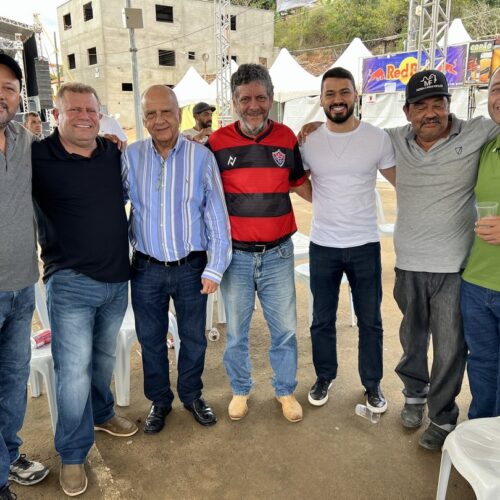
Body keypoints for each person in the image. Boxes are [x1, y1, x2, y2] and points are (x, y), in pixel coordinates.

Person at [299, 69, 498, 450]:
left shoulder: (477, 133)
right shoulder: (392, 139)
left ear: (448, 105)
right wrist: (309, 129)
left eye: (437, 104)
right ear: (407, 111)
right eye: (420, 106)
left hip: (454, 265)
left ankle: (440, 416)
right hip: (406, 260)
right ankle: (413, 396)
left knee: (449, 346)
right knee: (411, 337)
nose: (430, 113)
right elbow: (328, 149)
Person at [32, 82, 138, 497]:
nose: (84, 116)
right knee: (72, 372)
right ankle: (73, 454)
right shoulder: (37, 157)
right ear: (57, 114)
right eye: (74, 109)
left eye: (91, 110)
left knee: (103, 358)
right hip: (71, 282)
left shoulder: (112, 152)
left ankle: (103, 412)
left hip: (117, 279)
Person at [122, 85, 231, 433]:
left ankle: (192, 395)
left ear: (178, 113)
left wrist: (215, 267)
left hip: (191, 268)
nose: (159, 120)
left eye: (165, 112)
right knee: (151, 339)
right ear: (144, 119)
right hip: (145, 268)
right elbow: (108, 200)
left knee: (193, 337)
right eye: (151, 114)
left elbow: (216, 215)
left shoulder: (201, 157)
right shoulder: (131, 157)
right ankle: (159, 400)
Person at [208, 64, 311, 423]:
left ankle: (285, 391)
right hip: (235, 256)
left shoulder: (286, 138)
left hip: (279, 254)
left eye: (261, 98)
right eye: (245, 99)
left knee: (283, 330)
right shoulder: (216, 144)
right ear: (234, 102)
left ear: (270, 99)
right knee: (236, 331)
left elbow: (301, 183)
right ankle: (241, 389)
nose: (254, 105)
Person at [300, 67, 395, 413]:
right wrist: (325, 202)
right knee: (321, 319)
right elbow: (299, 182)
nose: (337, 100)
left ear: (355, 95)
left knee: (370, 320)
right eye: (330, 94)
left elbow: (401, 181)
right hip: (323, 244)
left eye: (343, 92)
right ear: (321, 99)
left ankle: (372, 384)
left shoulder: (377, 138)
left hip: (365, 244)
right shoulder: (308, 140)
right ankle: (325, 376)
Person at [0, 53, 49, 500]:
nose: (2, 93)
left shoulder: (23, 141)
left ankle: (9, 454)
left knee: (13, 381)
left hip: (21, 287)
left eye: (9, 87)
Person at [461, 67, 500, 419]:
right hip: (476, 283)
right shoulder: (486, 148)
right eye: (497, 88)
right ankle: (481, 435)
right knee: (483, 367)